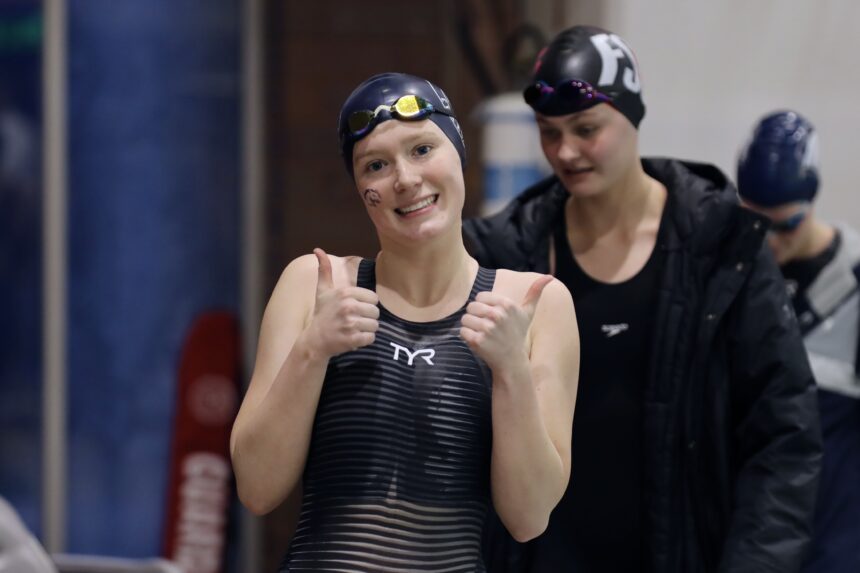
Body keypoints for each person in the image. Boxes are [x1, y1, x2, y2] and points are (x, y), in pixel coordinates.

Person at [463, 25, 822, 572]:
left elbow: (783, 437)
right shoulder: (504, 252)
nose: (566, 151)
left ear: (632, 114)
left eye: (586, 128)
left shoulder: (723, 245)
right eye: (548, 131)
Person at [230, 73, 580, 572]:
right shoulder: (316, 284)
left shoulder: (533, 303)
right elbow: (257, 489)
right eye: (376, 164)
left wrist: (511, 372)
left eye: (422, 149)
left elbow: (528, 517)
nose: (405, 179)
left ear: (458, 152)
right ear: (359, 188)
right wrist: (312, 350)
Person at [737, 110, 860, 573]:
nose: (769, 241)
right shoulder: (733, 276)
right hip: (756, 537)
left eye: (786, 225)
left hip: (835, 539)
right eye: (755, 222)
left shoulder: (853, 279)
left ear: (812, 203)